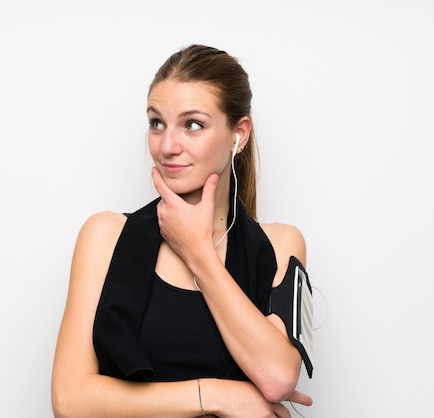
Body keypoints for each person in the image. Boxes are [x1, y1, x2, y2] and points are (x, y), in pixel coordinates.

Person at [51, 44, 313, 418]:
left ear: (238, 135)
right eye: (157, 123)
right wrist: (219, 396)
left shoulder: (279, 244)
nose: (167, 146)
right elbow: (70, 400)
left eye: (193, 124)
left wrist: (197, 252)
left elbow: (277, 377)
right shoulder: (105, 236)